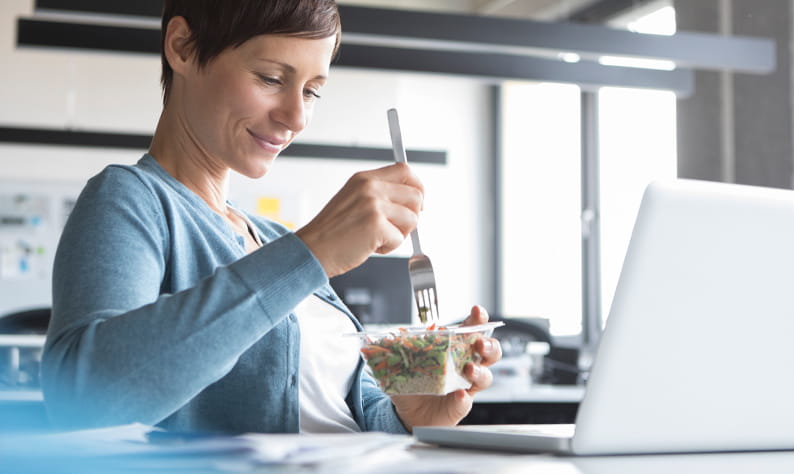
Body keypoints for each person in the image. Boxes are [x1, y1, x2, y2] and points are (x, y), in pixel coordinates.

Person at [41, 0, 501, 435]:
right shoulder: (132, 200)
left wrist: (408, 415)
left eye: (312, 90)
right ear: (182, 46)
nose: (297, 116)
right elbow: (83, 402)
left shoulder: (274, 239)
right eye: (270, 78)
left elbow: (337, 417)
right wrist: (312, 251)